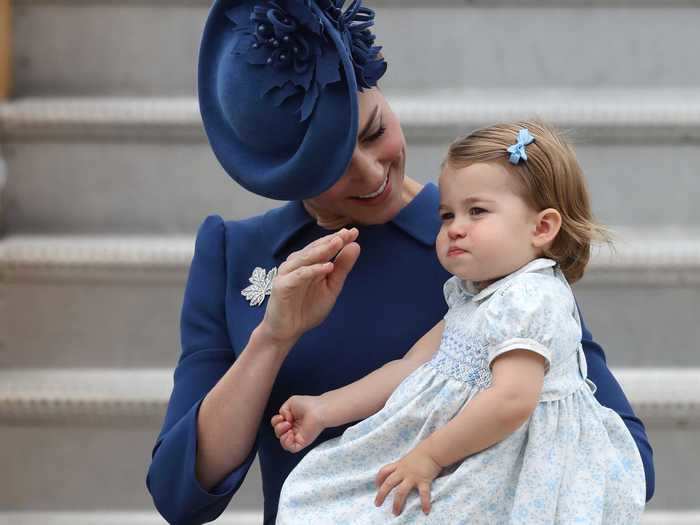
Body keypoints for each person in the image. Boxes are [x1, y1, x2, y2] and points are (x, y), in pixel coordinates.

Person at [145, 1, 654, 524]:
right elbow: (180, 496)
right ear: (283, 177)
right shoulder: (236, 253)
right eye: (333, 168)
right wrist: (272, 340)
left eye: (372, 132)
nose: (370, 175)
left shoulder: (492, 252)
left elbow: (619, 456)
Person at [273, 121, 647, 524]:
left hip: (507, 466)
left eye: (477, 211)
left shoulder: (531, 299)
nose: (455, 229)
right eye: (447, 215)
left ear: (542, 227)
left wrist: (430, 456)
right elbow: (411, 366)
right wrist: (326, 409)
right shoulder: (473, 296)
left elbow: (512, 401)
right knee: (319, 494)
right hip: (458, 454)